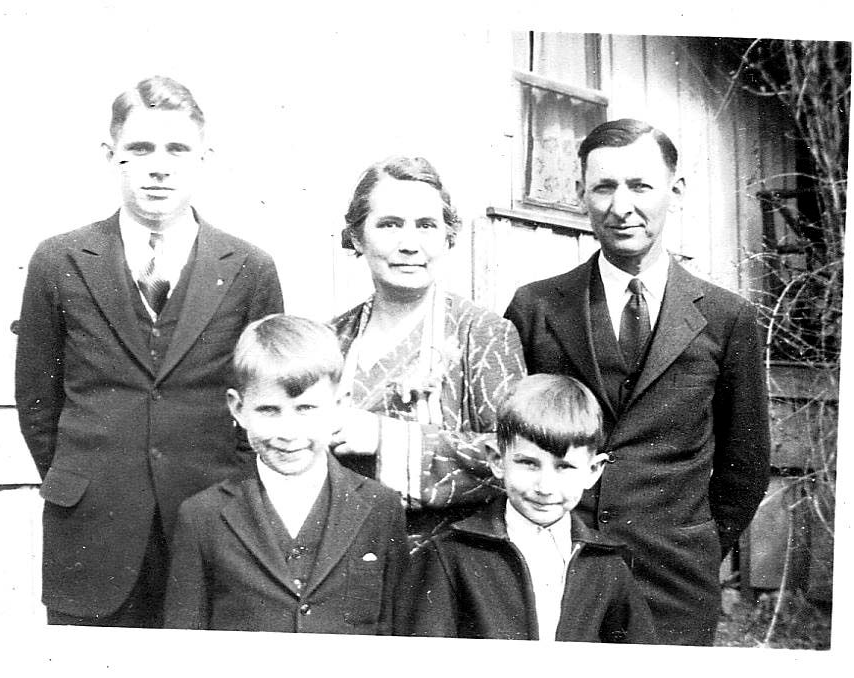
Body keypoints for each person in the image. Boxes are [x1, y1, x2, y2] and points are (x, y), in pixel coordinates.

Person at [14, 75, 284, 627]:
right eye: (140, 149)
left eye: (177, 149)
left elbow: (264, 398)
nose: (159, 167)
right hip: (91, 532)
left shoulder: (249, 268)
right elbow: (38, 400)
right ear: (110, 155)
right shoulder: (59, 260)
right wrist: (83, 480)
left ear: (205, 157)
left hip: (213, 528)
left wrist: (230, 491)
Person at [504, 118, 770, 645]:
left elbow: (746, 464)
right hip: (555, 571)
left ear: (676, 190)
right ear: (580, 193)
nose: (621, 206)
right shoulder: (536, 307)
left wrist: (697, 549)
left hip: (675, 582)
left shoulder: (727, 317)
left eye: (641, 186)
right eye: (604, 187)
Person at [164, 315, 409, 633]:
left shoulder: (381, 508)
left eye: (306, 409)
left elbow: (396, 635)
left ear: (339, 403)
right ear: (237, 408)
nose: (289, 433)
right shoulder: (202, 517)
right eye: (269, 410)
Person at [330, 156, 526, 548]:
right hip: (343, 553)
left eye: (426, 225)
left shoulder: (483, 335)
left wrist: (384, 439)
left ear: (448, 237)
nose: (409, 244)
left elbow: (517, 458)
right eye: (389, 225)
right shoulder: (331, 338)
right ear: (357, 237)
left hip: (449, 560)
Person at [397, 374, 656, 642]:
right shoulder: (449, 556)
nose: (545, 487)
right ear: (497, 460)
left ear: (593, 471)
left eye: (564, 467)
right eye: (529, 464)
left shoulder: (605, 564)